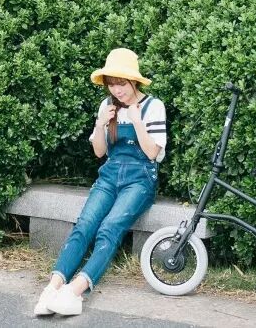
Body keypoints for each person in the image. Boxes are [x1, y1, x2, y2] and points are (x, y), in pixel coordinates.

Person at [34, 48, 167, 316]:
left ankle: (75, 291)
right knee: (84, 225)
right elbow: (99, 152)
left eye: (121, 84)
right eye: (111, 84)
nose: (117, 90)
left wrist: (137, 121)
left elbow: (153, 153)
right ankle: (52, 287)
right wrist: (100, 124)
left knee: (109, 228)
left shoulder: (153, 106)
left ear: (134, 81)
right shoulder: (107, 106)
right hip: (109, 174)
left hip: (139, 181)